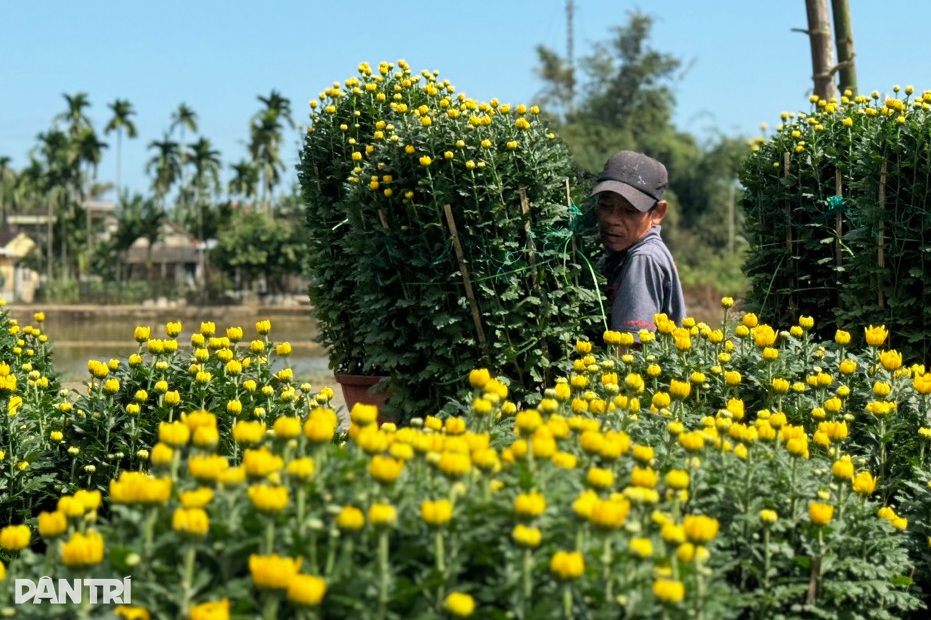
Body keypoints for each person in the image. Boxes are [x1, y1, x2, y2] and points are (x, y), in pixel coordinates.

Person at [590, 150, 686, 340]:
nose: (612, 219)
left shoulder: (643, 258)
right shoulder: (618, 253)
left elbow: (630, 351)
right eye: (605, 205)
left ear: (658, 213)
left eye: (629, 210)